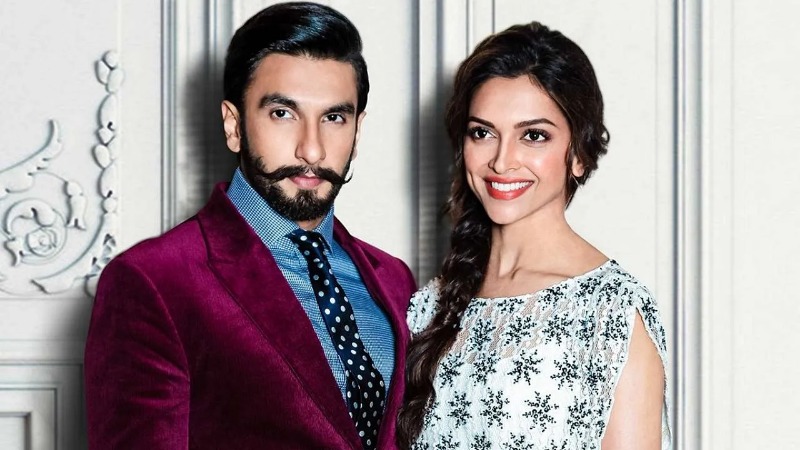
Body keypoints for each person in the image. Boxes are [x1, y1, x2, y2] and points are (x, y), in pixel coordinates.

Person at [84, 3, 416, 449]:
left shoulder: (394, 279)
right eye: (283, 113)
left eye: (334, 118)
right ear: (234, 125)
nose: (312, 150)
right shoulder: (152, 281)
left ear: (357, 131)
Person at [397, 21, 670, 450]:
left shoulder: (611, 313)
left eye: (533, 136)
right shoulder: (428, 306)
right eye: (483, 133)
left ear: (579, 154)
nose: (502, 161)